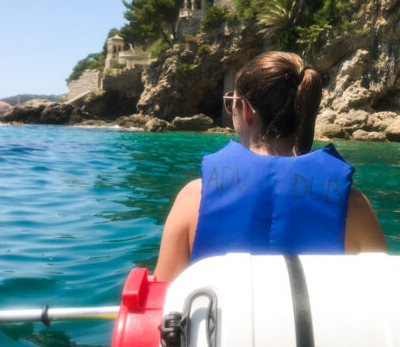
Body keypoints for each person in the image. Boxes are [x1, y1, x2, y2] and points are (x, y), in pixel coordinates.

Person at [154, 51, 387, 281]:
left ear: (246, 111)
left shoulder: (193, 198)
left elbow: (160, 300)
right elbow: (384, 298)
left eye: (231, 104)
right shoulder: (354, 207)